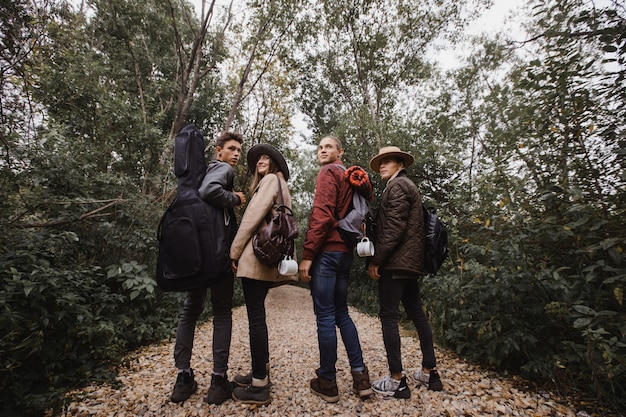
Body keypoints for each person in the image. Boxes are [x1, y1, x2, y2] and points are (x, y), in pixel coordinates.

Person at [170, 131, 246, 405]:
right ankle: (217, 380)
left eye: (239, 150)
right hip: (217, 257)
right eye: (232, 149)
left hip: (196, 257)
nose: (236, 154)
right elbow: (209, 192)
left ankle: (183, 378)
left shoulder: (196, 175)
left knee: (191, 310)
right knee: (222, 312)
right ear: (218, 151)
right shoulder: (222, 170)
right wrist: (236, 198)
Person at [299, 135, 373, 403]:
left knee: (326, 316)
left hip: (328, 253)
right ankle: (360, 376)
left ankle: (327, 380)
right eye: (319, 147)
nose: (322, 150)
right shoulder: (354, 179)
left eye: (328, 146)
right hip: (346, 253)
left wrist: (308, 255)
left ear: (340, 151)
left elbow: (323, 214)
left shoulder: (329, 172)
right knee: (342, 313)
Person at [367, 146, 443, 399]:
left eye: (387, 162)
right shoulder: (408, 186)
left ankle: (397, 380)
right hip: (410, 264)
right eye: (380, 163)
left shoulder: (398, 186)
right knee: (417, 315)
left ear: (399, 164)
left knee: (388, 316)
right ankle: (429, 372)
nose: (382, 167)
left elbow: (394, 229)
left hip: (396, 263)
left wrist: (377, 260)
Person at [228, 143, 297, 405]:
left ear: (275, 163)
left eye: (266, 157)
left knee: (256, 318)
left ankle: (259, 384)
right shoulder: (280, 184)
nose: (261, 161)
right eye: (258, 158)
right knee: (259, 316)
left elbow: (252, 218)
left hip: (257, 256)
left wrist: (234, 251)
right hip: (270, 256)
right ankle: (261, 370)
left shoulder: (269, 181)